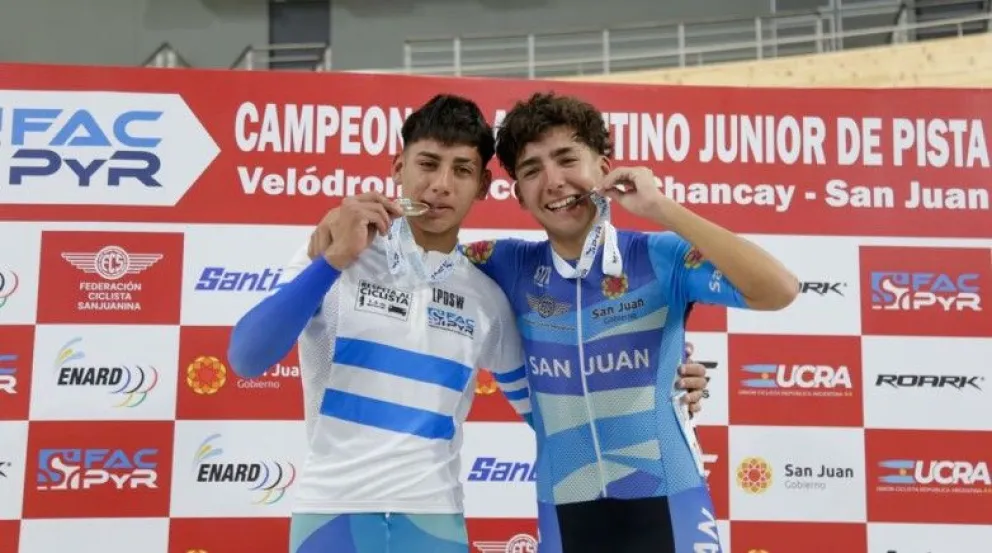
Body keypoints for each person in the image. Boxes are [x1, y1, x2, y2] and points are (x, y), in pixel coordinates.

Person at [227, 94, 713, 553]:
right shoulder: (335, 254)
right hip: (331, 515)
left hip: (436, 523)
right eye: (427, 163)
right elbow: (246, 358)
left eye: (461, 170)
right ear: (397, 168)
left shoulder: (484, 294)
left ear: (482, 185)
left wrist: (662, 378)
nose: (440, 184)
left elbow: (556, 407)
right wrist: (333, 261)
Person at [460, 92, 800, 553]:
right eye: (532, 170)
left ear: (603, 168)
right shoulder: (505, 264)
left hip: (668, 502)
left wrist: (663, 209)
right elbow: (417, 271)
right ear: (519, 194)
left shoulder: (659, 257)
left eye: (566, 160)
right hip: (565, 510)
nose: (554, 182)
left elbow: (779, 289)